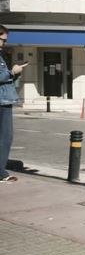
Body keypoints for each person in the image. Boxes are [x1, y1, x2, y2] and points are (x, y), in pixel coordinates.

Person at [0, 25, 29, 183]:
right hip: (2, 101)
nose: (4, 43)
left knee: (5, 137)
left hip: (4, 99)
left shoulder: (2, 55)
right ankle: (0, 173)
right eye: (2, 39)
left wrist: (15, 74)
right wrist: (12, 72)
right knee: (6, 137)